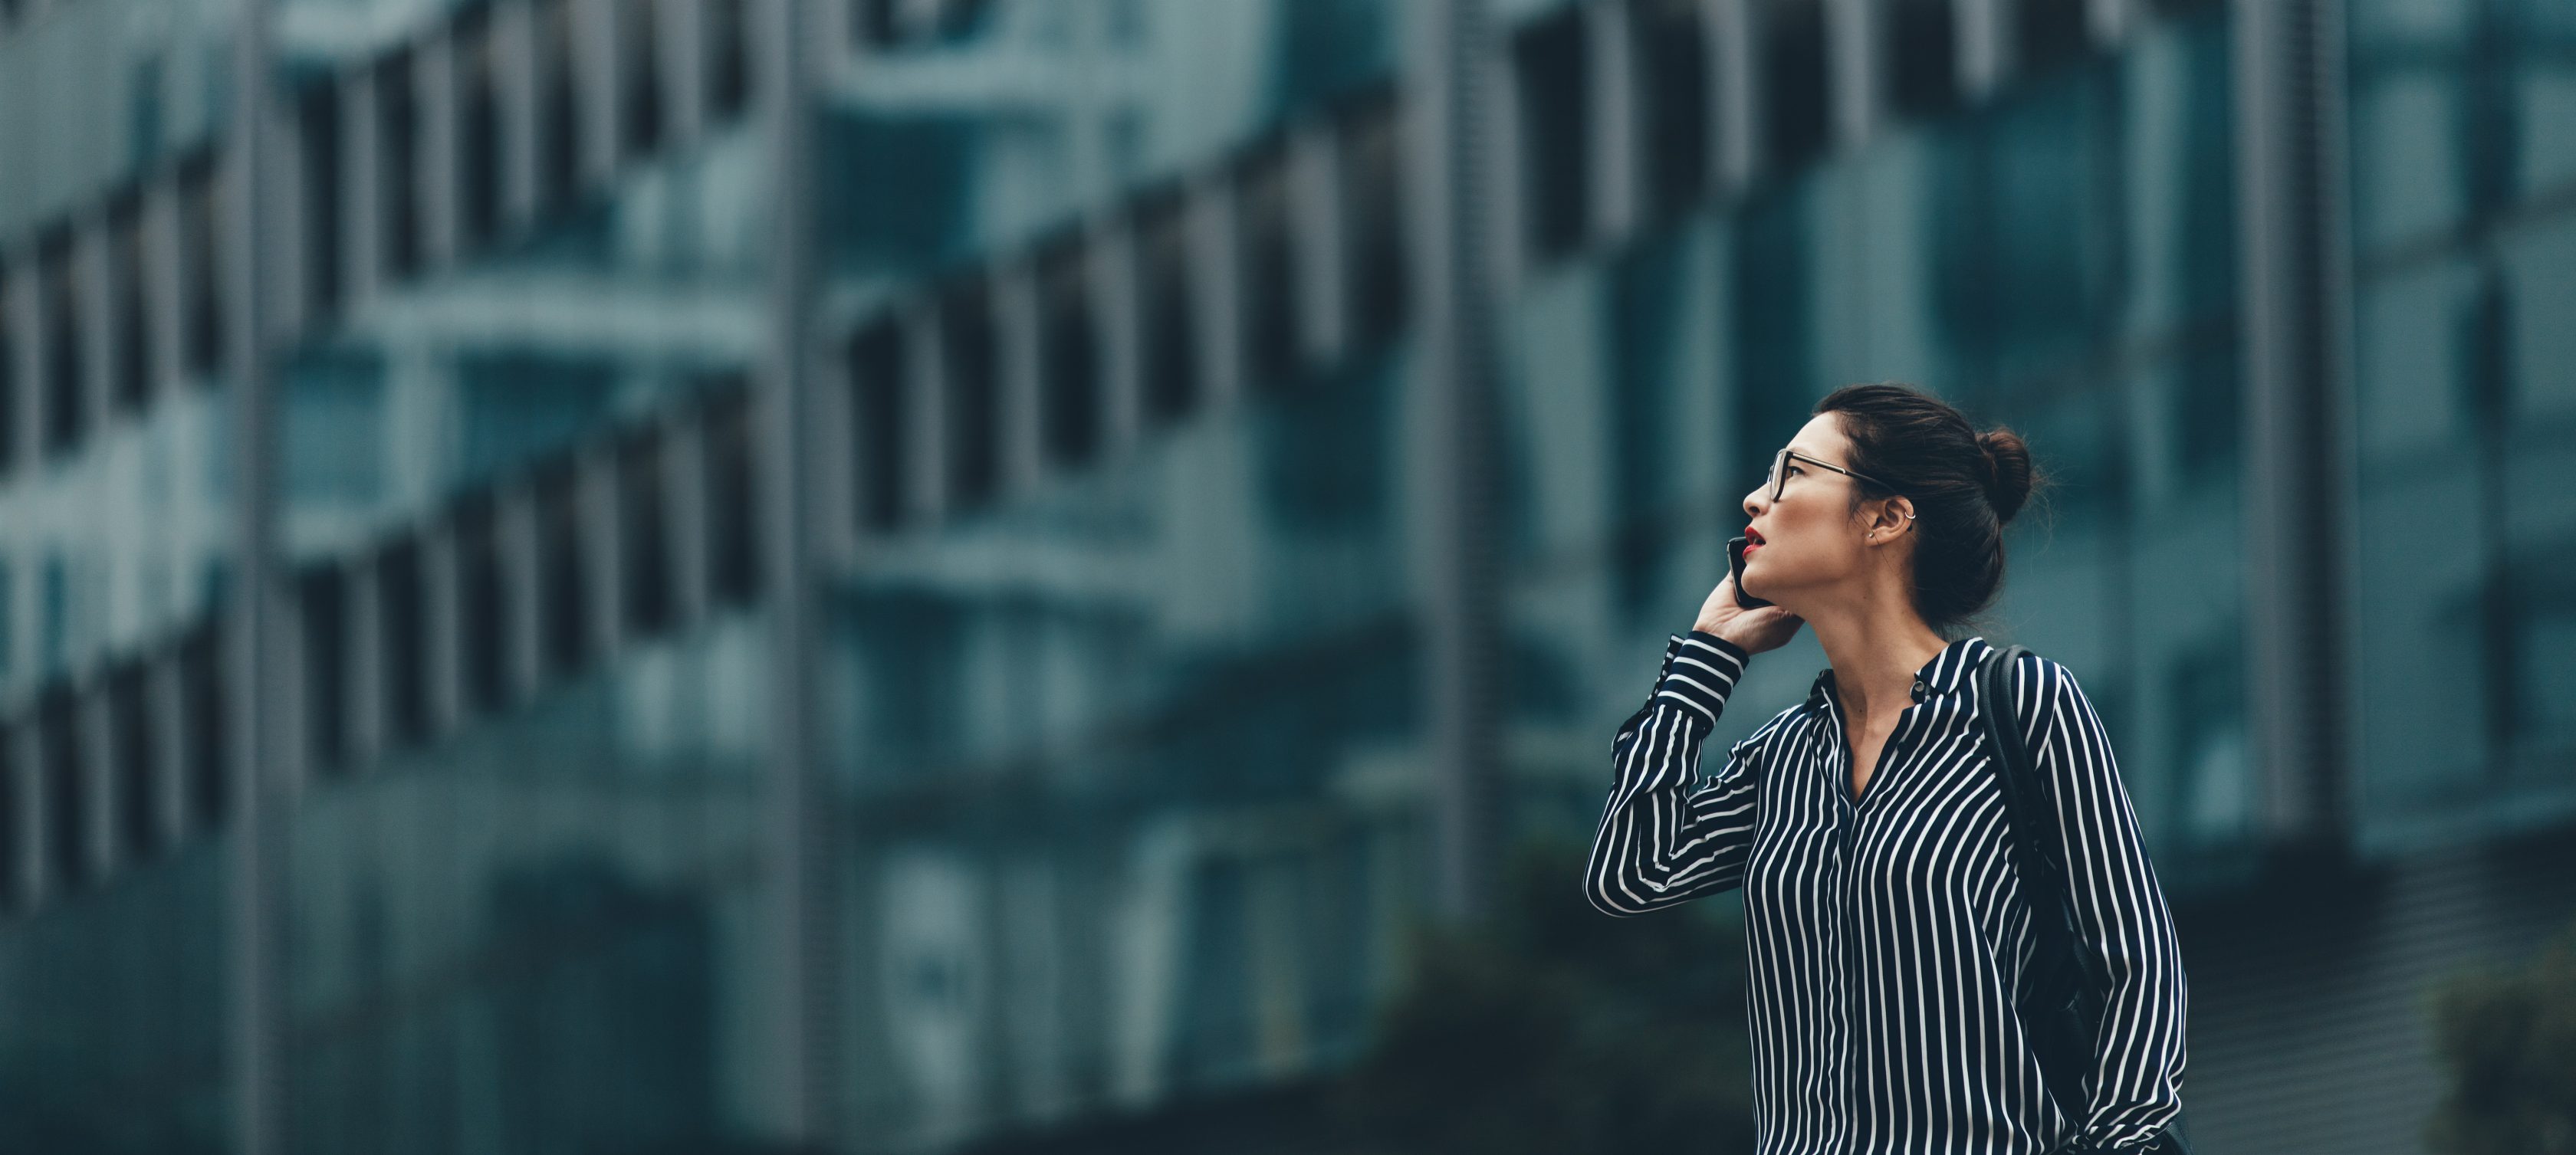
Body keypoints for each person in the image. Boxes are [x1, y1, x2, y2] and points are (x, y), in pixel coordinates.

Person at [1582, 382, 2187, 1154]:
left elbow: (2136, 959)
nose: (1754, 499)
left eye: (1793, 474)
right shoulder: (1784, 757)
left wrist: (2122, 1145)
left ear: (1885, 517)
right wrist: (1708, 656)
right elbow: (1632, 870)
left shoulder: (2019, 704)